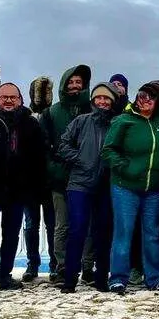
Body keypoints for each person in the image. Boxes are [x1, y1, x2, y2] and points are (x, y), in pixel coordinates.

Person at [0, 82, 46, 290]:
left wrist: (35, 188)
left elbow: (39, 159)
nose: (8, 101)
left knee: (11, 232)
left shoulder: (31, 124)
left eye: (12, 97)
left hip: (18, 189)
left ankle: (5, 274)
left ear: (20, 100)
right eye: (4, 97)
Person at [102, 80, 159, 293]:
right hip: (125, 186)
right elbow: (108, 150)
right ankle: (118, 278)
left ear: (158, 101)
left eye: (150, 97)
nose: (144, 100)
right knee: (124, 232)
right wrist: (124, 167)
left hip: (155, 188)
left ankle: (155, 277)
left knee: (152, 233)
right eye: (141, 95)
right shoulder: (123, 120)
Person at [57, 82, 117, 293]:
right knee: (78, 229)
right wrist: (80, 158)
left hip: (105, 185)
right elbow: (63, 145)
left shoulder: (116, 124)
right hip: (79, 183)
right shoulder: (81, 121)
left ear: (112, 101)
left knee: (103, 232)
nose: (102, 101)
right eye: (99, 98)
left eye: (106, 98)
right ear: (93, 100)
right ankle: (70, 280)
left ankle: (101, 278)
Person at [39, 64, 91, 283]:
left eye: (78, 82)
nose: (75, 86)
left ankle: (87, 267)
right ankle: (62, 266)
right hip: (60, 178)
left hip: (87, 177)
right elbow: (43, 146)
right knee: (62, 225)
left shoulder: (92, 109)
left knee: (86, 225)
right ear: (64, 84)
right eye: (71, 82)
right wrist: (53, 169)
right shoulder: (51, 113)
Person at [23, 76, 56, 281]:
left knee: (52, 225)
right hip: (29, 179)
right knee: (31, 224)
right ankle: (32, 263)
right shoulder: (26, 117)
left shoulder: (53, 116)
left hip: (50, 179)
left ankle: (54, 263)